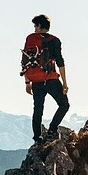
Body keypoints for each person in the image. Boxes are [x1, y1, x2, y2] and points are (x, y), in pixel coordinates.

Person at [21, 14, 69, 145]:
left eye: (35, 26)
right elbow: (60, 62)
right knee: (64, 105)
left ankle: (37, 138)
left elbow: (26, 61)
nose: (34, 29)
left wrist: (27, 82)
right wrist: (64, 83)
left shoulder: (30, 39)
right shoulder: (54, 40)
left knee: (38, 109)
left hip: (36, 81)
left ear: (40, 26)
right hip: (50, 79)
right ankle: (52, 131)